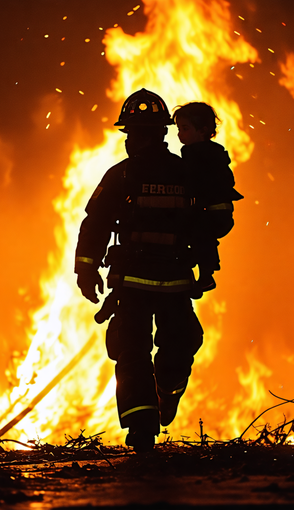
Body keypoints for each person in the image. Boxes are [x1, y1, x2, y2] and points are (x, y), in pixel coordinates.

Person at [74, 89, 205, 452]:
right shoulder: (186, 173)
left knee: (131, 355)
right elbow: (206, 226)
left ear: (141, 135)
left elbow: (95, 224)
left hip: (135, 284)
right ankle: (163, 397)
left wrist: (86, 271)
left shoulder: (122, 174)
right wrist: (207, 264)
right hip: (173, 283)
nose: (130, 141)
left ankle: (142, 426)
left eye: (132, 134)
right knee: (177, 347)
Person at [173, 102, 243, 298]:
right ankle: (201, 271)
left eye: (185, 129)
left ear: (203, 131)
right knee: (198, 236)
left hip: (214, 212)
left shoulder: (204, 154)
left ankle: (206, 275)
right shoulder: (202, 152)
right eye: (179, 129)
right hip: (210, 210)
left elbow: (196, 180)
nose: (180, 134)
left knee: (200, 236)